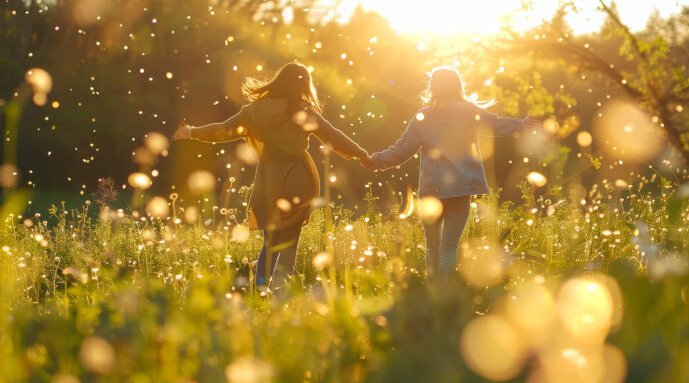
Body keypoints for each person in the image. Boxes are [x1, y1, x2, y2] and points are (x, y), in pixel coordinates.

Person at [173, 62, 371, 294]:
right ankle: (281, 298)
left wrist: (190, 132)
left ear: (278, 81)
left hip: (268, 183)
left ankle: (260, 295)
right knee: (288, 247)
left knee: (270, 246)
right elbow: (333, 136)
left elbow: (224, 129)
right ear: (303, 86)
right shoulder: (303, 111)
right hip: (298, 183)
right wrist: (361, 154)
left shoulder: (254, 111)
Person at [365, 66, 541, 276]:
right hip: (460, 188)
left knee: (432, 247)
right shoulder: (469, 111)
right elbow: (495, 125)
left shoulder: (423, 116)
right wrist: (521, 125)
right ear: (457, 86)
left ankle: (432, 294)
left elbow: (402, 150)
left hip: (432, 190)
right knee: (449, 247)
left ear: (433, 88)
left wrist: (375, 160)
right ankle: (445, 294)